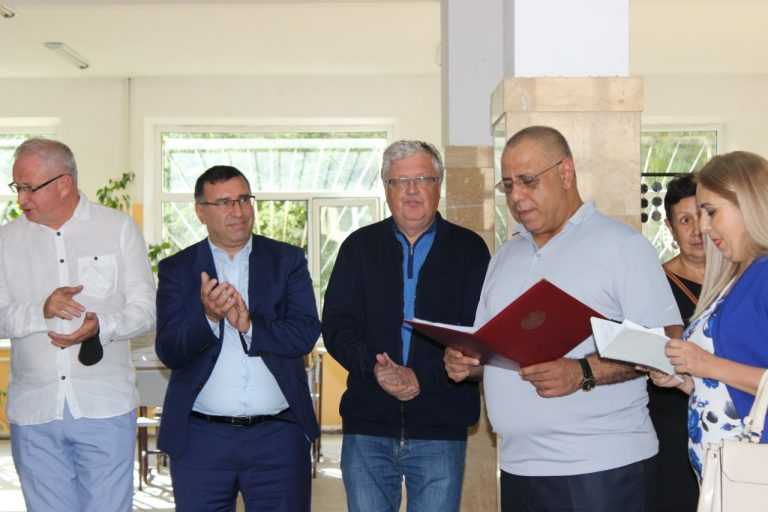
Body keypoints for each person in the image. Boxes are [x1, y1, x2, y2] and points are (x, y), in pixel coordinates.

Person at [445, 126, 682, 511]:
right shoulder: (505, 256)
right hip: (519, 466)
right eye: (508, 185)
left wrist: (583, 371)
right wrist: (468, 362)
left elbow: (664, 344)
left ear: (566, 173)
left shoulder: (621, 245)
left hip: (602, 467)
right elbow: (491, 349)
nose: (516, 197)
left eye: (528, 181)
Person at [322, 140, 490, 512]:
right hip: (367, 425)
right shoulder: (357, 248)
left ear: (438, 185)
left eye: (422, 179)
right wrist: (374, 366)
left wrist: (422, 378)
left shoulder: (470, 250)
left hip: (441, 427)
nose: (411, 190)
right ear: (386, 189)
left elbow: (478, 334)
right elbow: (335, 325)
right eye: (400, 181)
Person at [0, 138, 156, 511]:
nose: (21, 199)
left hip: (105, 405)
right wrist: (40, 310)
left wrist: (102, 325)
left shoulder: (118, 228)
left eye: (29, 188)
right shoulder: (6, 240)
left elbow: (146, 310)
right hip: (34, 411)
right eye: (17, 187)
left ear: (63, 183)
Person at [155, 165, 320, 512]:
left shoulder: (286, 260)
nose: (239, 211)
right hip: (201, 440)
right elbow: (169, 350)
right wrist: (208, 318)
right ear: (201, 211)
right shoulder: (177, 269)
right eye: (225, 202)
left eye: (244, 199)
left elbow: (306, 332)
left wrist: (250, 326)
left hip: (278, 437)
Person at [650, 151, 768, 480]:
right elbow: (730, 390)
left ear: (748, 204)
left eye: (711, 212)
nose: (703, 227)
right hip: (726, 478)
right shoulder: (736, 276)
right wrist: (685, 379)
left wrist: (705, 364)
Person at [647, 173, 704, 511]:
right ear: (669, 227)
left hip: (729, 423)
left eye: (704, 215)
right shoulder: (654, 282)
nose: (697, 231)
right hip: (671, 429)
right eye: (685, 220)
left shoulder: (741, 279)